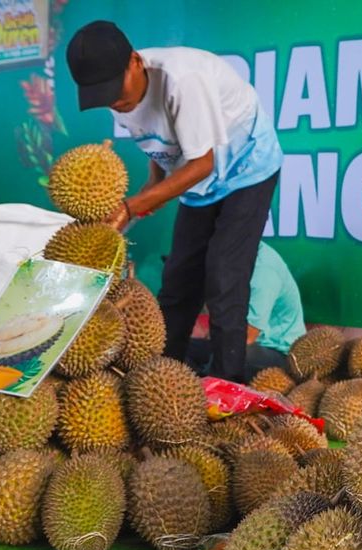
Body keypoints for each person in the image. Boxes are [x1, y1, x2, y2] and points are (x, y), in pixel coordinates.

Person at [65, 20, 283, 383]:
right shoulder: (121, 96)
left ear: (135, 62)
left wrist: (133, 206)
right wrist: (153, 187)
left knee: (224, 275)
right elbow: (161, 141)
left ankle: (228, 386)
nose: (114, 102)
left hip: (246, 168)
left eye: (115, 89)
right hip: (198, 179)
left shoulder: (183, 81)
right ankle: (162, 380)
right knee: (178, 280)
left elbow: (203, 163)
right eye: (103, 95)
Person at [187, 242, 307, 381]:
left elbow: (248, 335)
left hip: (280, 353)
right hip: (239, 343)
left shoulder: (264, 270)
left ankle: (207, 387)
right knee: (185, 347)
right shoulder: (232, 260)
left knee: (228, 353)